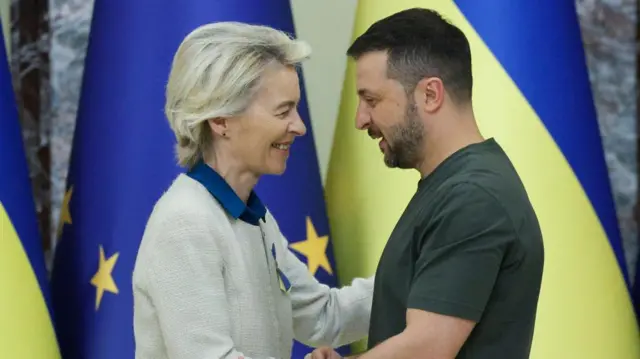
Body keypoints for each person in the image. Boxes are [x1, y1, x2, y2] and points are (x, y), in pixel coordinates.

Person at [309, 7, 544, 359]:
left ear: (430, 95)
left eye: (371, 100)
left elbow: (427, 349)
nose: (360, 120)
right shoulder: (453, 186)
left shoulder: (473, 198)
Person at [132, 22, 374, 359]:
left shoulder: (250, 217)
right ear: (220, 119)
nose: (299, 126)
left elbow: (324, 317)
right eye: (283, 110)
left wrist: (421, 269)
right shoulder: (185, 223)